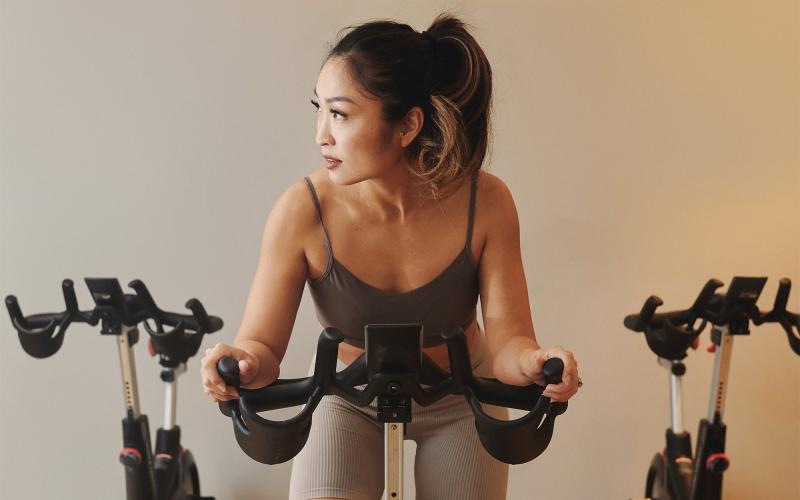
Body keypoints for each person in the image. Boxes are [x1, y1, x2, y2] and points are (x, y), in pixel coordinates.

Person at [201, 13, 580, 500]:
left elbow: (509, 343)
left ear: (407, 125)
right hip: (348, 401)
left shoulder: (485, 201)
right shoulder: (301, 211)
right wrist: (240, 361)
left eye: (339, 114)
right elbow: (263, 350)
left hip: (459, 399)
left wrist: (535, 362)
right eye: (319, 109)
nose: (321, 134)